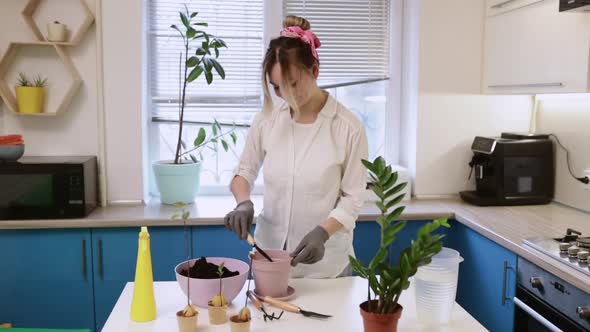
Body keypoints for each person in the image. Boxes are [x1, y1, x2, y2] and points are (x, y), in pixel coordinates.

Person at [224, 15, 368, 278]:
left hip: (328, 268)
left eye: (293, 84)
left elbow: (353, 198)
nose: (285, 95)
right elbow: (244, 171)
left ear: (314, 71)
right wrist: (243, 203)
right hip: (270, 261)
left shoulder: (348, 128)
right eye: (277, 87)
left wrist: (323, 232)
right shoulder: (267, 120)